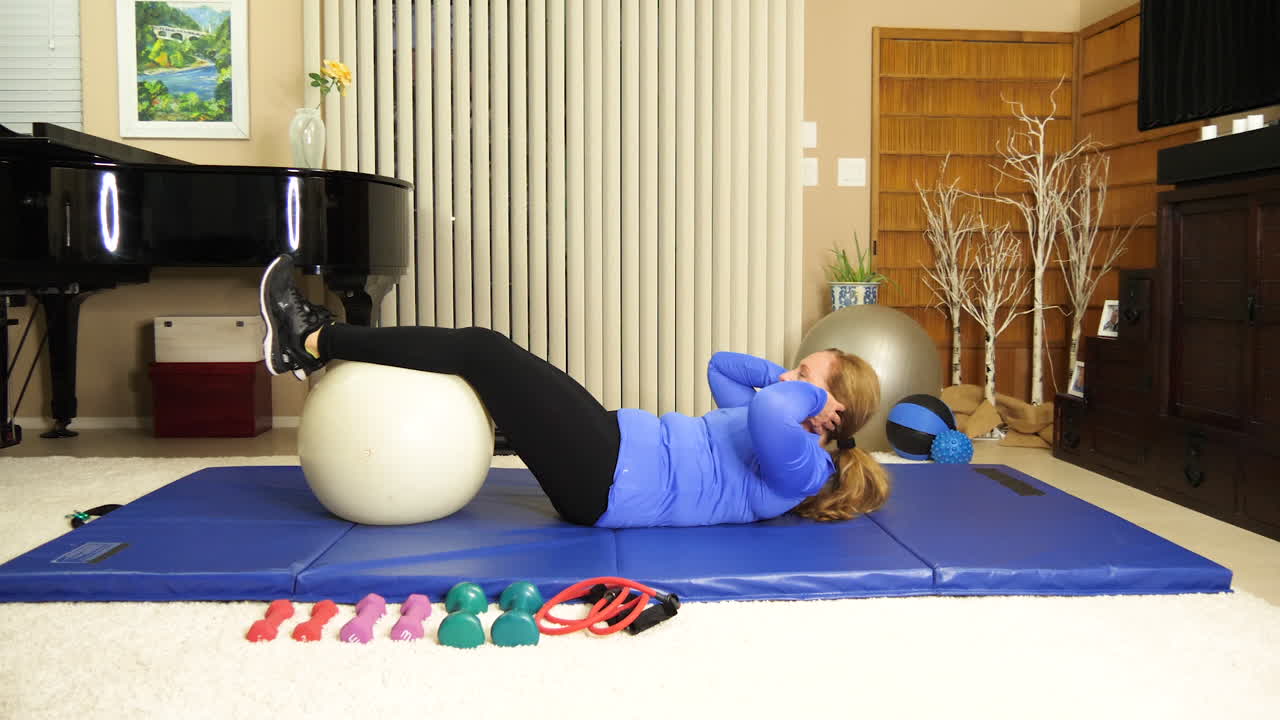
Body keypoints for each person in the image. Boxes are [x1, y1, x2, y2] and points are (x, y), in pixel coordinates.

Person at [259, 254, 890, 528]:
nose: (785, 379)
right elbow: (722, 366)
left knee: (482, 350)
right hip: (611, 444)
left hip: (607, 480)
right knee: (492, 368)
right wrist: (796, 376)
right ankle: (315, 342)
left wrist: (805, 395)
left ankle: (313, 340)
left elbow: (777, 408)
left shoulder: (802, 466)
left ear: (831, 413)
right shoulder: (769, 419)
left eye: (804, 378)